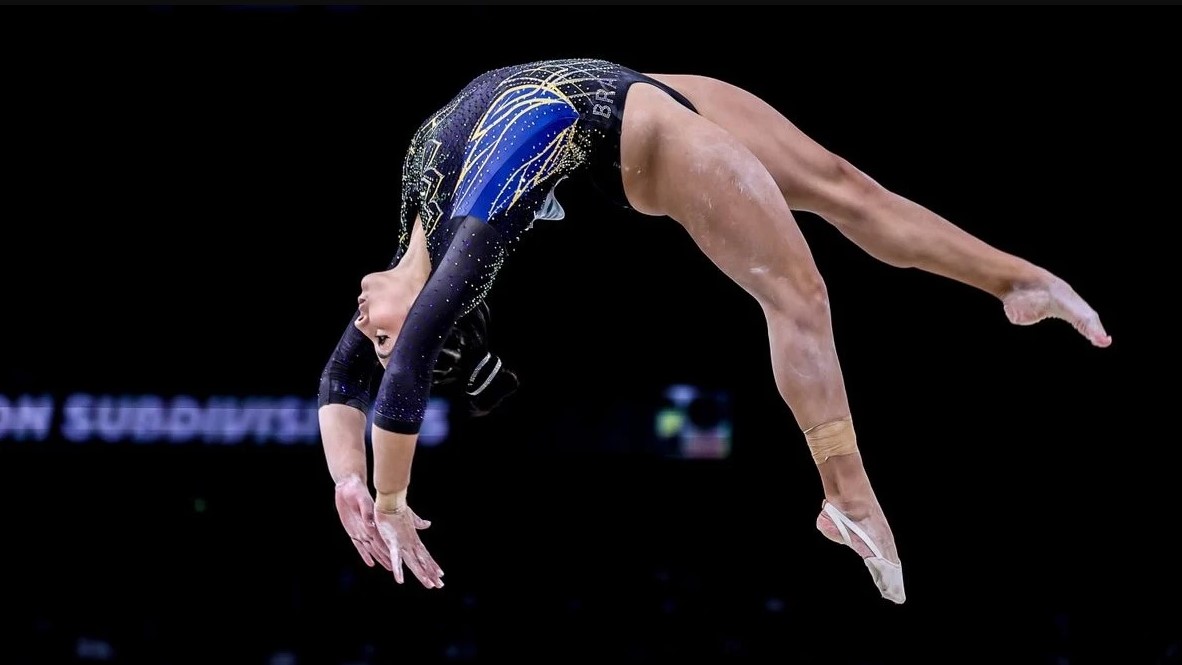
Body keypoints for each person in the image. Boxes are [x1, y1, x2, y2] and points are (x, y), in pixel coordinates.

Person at [317, 58, 1111, 604]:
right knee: (801, 295)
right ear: (439, 311)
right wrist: (391, 498)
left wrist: (347, 479)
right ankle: (847, 497)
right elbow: (409, 363)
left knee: (846, 185)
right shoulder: (468, 242)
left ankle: (1018, 280)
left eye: (377, 337)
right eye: (389, 340)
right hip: (647, 145)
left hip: (640, 85)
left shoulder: (413, 225)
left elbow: (343, 381)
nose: (368, 332)